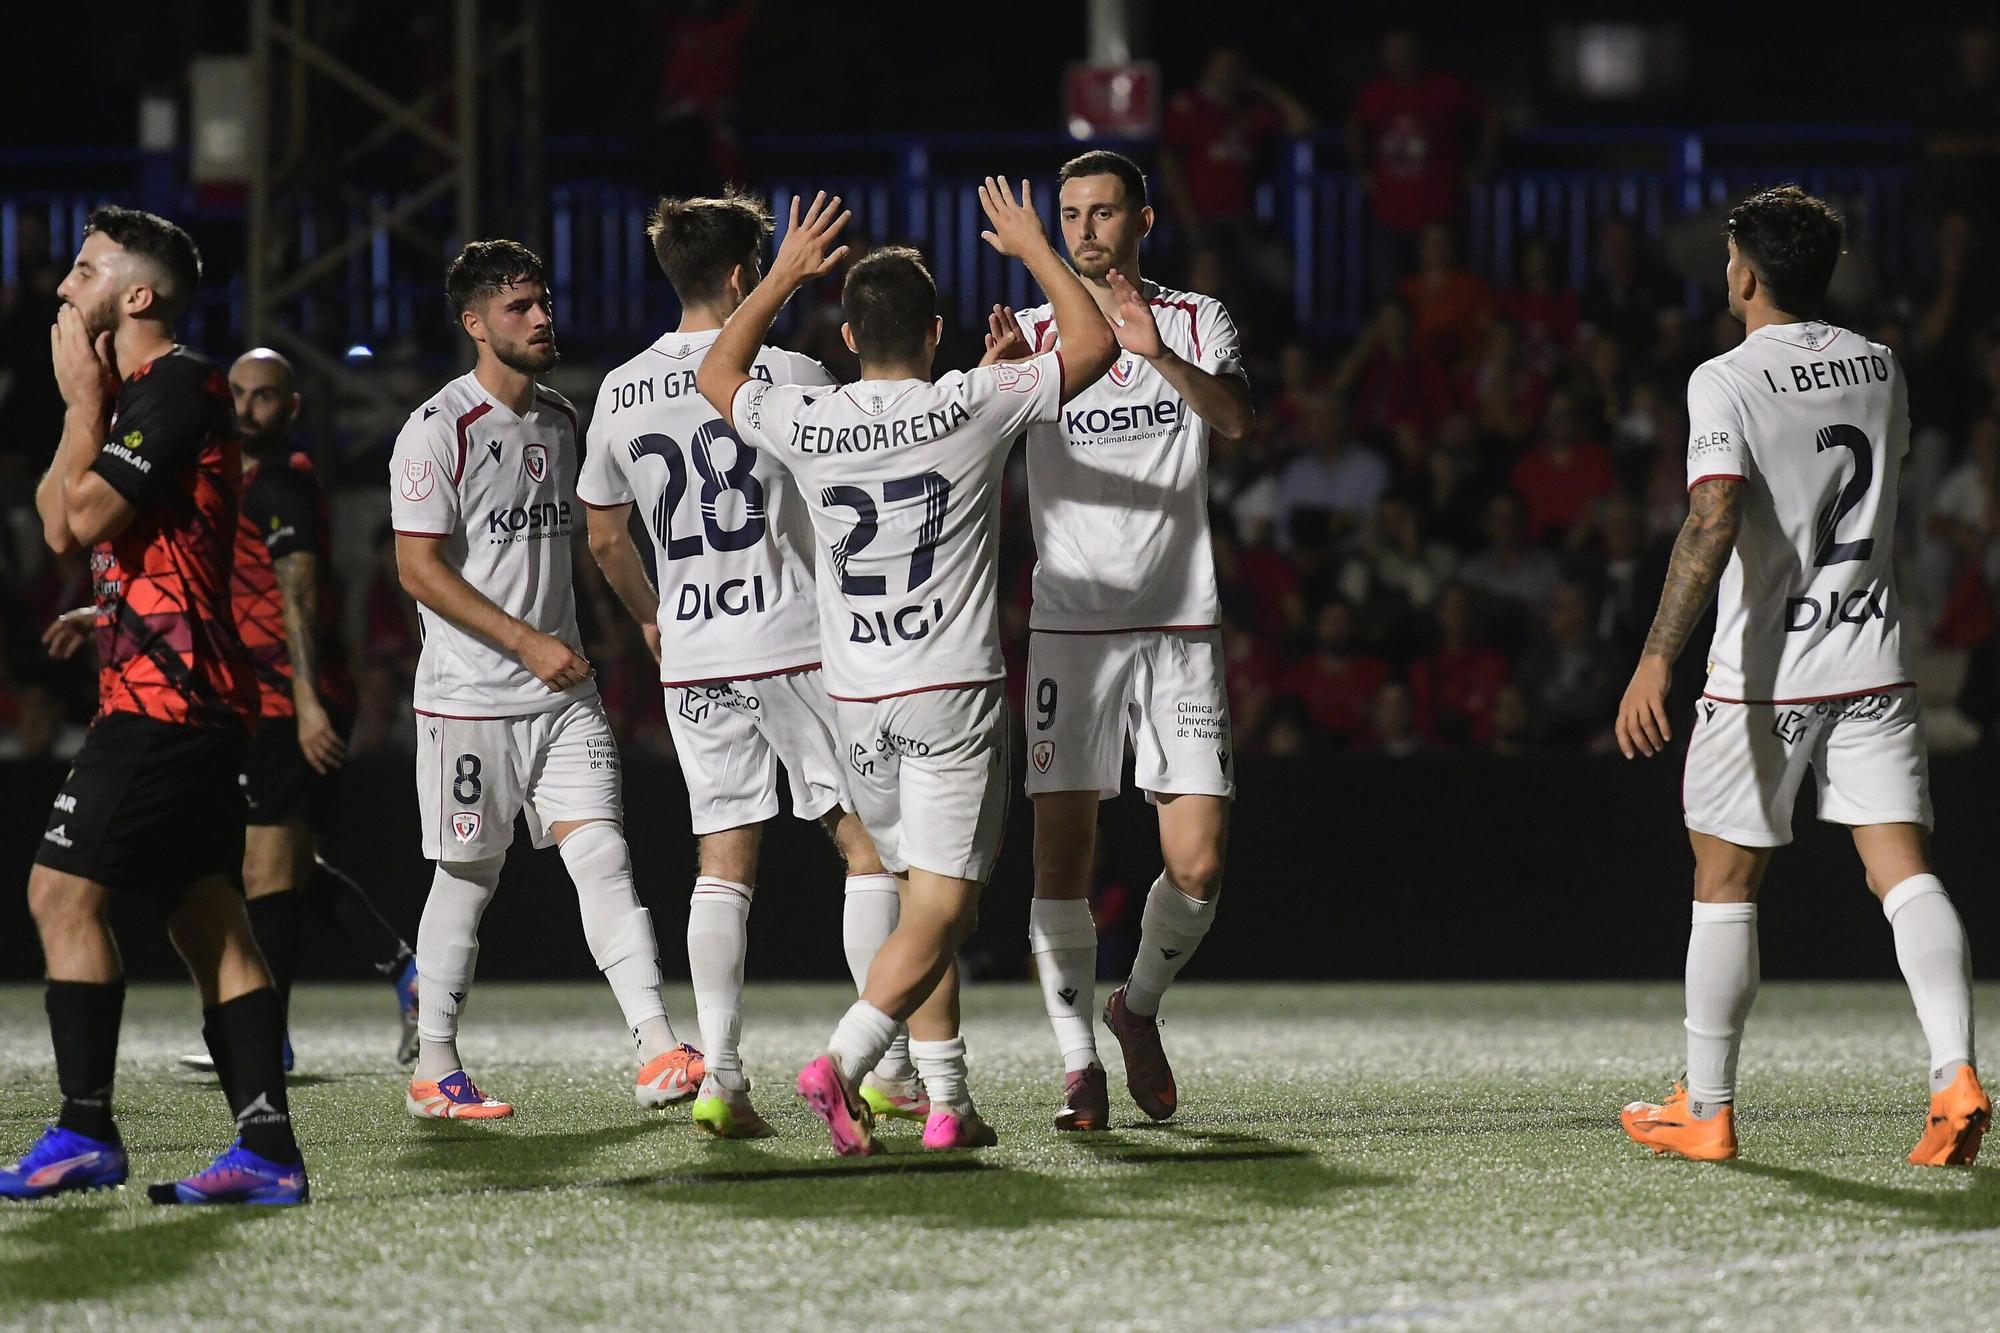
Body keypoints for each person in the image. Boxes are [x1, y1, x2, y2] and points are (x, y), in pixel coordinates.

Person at [697, 181, 1117, 1154]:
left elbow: (720, 371)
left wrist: (782, 275)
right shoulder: (970, 400)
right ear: (935, 332)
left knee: (914, 892)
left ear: (846, 337)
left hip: (856, 701)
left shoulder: (809, 418)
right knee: (945, 901)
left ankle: (946, 1101)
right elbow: (1092, 347)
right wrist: (1030, 248)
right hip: (948, 692)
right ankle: (839, 1063)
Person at [1615, 186, 1988, 1166]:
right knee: (1899, 870)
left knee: (1723, 878)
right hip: (1869, 657)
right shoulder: (1883, 368)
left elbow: (1710, 517)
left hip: (1761, 674)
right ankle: (1952, 1072)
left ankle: (1707, 1107)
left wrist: (1655, 655)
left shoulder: (1721, 378)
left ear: (1743, 271)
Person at [579, 189, 921, 1139]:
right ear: (744, 276)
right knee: (866, 847)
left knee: (722, 863)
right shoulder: (791, 369)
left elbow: (605, 538)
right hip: (796, 639)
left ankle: (722, 1076)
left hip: (693, 648)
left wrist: (653, 622)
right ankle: (888, 1067)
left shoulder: (616, 387)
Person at [2, 206, 308, 1205]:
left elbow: (82, 510)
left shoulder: (181, 385)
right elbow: (58, 525)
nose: (61, 287)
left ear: (136, 295)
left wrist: (80, 404)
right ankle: (266, 1151)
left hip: (167, 703)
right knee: (208, 917)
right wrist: (80, 406)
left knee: (60, 894)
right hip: (172, 696)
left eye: (83, 270)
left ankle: (86, 1127)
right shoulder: (127, 396)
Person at [389, 239, 699, 1121]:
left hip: (562, 693)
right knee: (469, 876)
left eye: (542, 301)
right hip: (469, 698)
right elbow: (418, 569)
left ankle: (656, 1047)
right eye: (518, 307)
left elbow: (578, 548)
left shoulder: (564, 420)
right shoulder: (436, 428)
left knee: (602, 855)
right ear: (474, 324)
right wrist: (525, 642)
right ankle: (435, 1066)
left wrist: (630, 621)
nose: (540, 318)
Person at [992, 150, 1255, 1132]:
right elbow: (964, 455)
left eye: (1103, 212)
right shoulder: (1023, 332)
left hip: (1179, 624)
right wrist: (986, 386)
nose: (1085, 229)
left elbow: (1234, 419)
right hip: (1070, 628)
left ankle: (1132, 1006)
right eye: (1068, 214)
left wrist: (1155, 354)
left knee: (1197, 864)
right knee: (1061, 858)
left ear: (1142, 219)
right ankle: (1076, 1068)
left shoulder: (1195, 318)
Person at [136, 349, 415, 1074]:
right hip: (244, 701)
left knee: (268, 870)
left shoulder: (285, 486)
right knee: (275, 864)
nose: (246, 406)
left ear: (289, 409)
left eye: (264, 396)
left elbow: (303, 600)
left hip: (288, 701)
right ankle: (408, 973)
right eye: (237, 392)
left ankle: (266, 1041)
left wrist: (308, 707)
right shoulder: (227, 481)